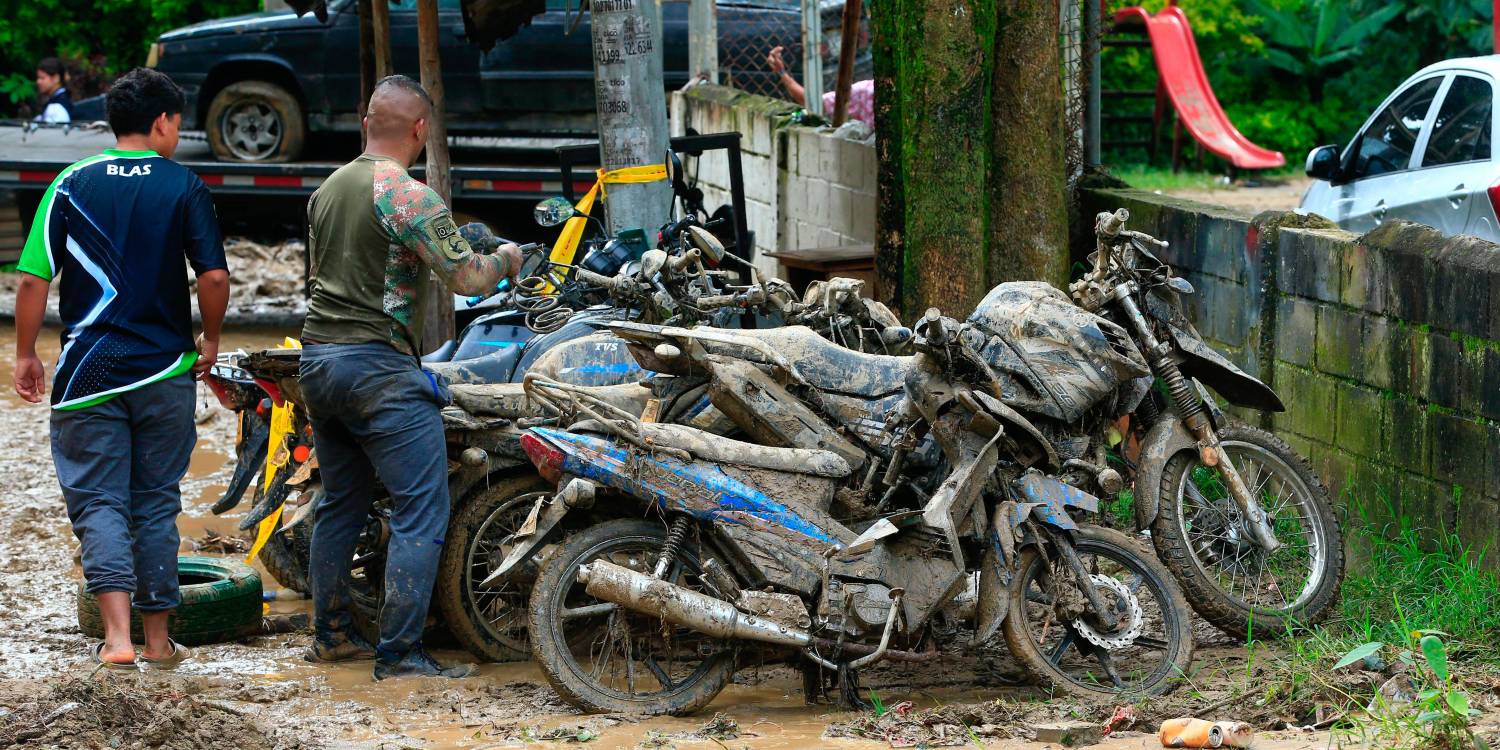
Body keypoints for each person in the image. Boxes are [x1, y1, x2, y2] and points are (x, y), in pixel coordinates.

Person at [298, 74, 522, 680]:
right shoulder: (408, 195)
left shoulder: (326, 190)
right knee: (421, 507)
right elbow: (468, 278)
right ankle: (398, 656)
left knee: (340, 503)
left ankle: (331, 637)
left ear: (366, 120)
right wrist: (507, 258)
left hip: (318, 363)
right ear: (421, 129)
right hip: (377, 368)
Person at [12, 68, 229, 669]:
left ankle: (116, 641)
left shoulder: (70, 183)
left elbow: (32, 280)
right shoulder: (184, 185)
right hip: (164, 372)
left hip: (87, 376)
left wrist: (26, 353)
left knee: (100, 504)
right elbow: (213, 278)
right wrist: (210, 339)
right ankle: (158, 642)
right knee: (155, 503)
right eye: (178, 123)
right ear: (162, 122)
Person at [765, 45, 874, 127]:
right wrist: (782, 73)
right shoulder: (865, 92)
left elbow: (814, 104)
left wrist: (782, 73)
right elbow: (815, 104)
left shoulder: (865, 91)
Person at [35, 58, 74, 124]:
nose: (38, 82)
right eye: (38, 78)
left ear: (56, 78)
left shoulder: (57, 107)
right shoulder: (60, 99)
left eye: (42, 78)